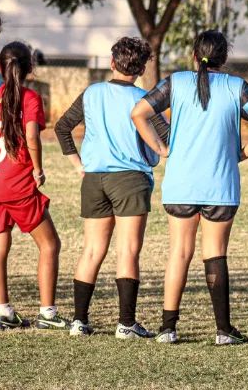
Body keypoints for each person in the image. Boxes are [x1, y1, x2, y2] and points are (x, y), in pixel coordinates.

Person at [131, 30, 248, 345]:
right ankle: (224, 330)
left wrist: (161, 147)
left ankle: (167, 328)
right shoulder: (237, 87)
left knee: (179, 253)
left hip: (181, 183)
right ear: (224, 59)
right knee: (216, 254)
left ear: (194, 55)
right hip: (220, 185)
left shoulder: (175, 82)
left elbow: (139, 113)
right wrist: (242, 154)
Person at [55, 37, 166, 338]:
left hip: (94, 179)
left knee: (92, 250)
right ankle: (126, 324)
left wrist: (79, 165)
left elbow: (62, 127)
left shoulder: (93, 92)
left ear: (112, 62)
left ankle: (79, 321)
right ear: (142, 68)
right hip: (130, 178)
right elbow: (166, 138)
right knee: (128, 250)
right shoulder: (145, 99)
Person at [0, 42, 63, 330]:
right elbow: (32, 139)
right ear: (30, 68)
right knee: (50, 244)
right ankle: (48, 314)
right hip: (17, 184)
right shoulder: (29, 98)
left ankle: (4, 312)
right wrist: (38, 170)